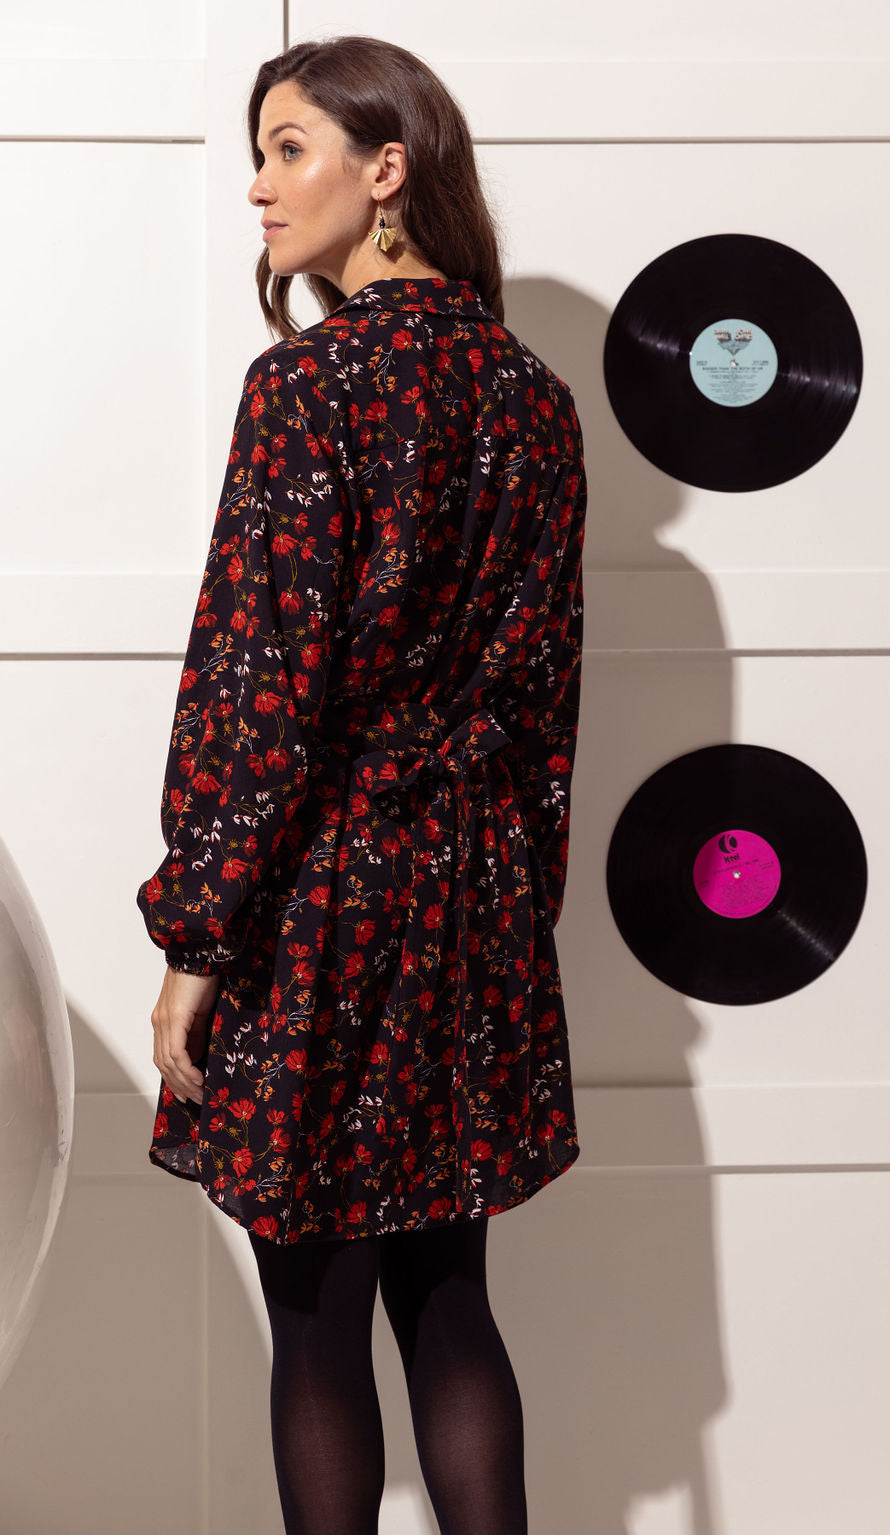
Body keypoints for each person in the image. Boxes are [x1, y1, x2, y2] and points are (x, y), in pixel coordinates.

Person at [137, 33, 586, 1535]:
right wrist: (521, 927)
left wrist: (195, 936)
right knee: (450, 1301)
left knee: (318, 1320)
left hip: (320, 904)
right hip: (471, 908)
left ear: (385, 171)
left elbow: (256, 693)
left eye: (288, 150)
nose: (258, 188)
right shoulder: (535, 404)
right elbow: (544, 714)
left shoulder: (309, 390)